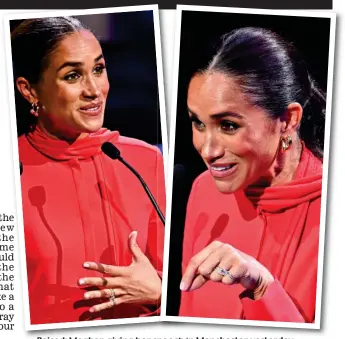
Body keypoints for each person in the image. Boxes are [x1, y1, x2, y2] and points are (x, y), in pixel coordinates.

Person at [11, 16, 165, 325]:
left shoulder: (144, 162)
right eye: (72, 76)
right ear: (29, 90)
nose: (94, 90)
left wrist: (160, 291)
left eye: (98, 69)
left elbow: (188, 290)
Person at [178, 27, 325, 323]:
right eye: (198, 123)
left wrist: (262, 287)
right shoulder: (203, 190)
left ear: (287, 121)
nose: (207, 150)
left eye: (228, 126)